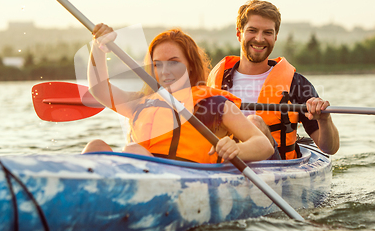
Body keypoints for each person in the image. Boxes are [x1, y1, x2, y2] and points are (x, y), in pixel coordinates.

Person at [82, 23, 274, 163]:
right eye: (158, 64)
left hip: (188, 181)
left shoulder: (215, 105)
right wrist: (99, 48)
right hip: (138, 174)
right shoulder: (141, 102)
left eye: (174, 62)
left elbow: (263, 145)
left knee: (133, 150)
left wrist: (237, 148)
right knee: (96, 146)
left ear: (190, 65)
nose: (165, 71)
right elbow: (99, 88)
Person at [207, 0, 339, 159]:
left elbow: (329, 148)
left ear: (275, 37)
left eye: (268, 32)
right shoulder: (217, 80)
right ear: (239, 34)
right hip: (222, 166)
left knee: (254, 122)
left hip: (274, 168)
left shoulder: (295, 84)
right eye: (252, 30)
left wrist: (325, 120)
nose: (259, 39)